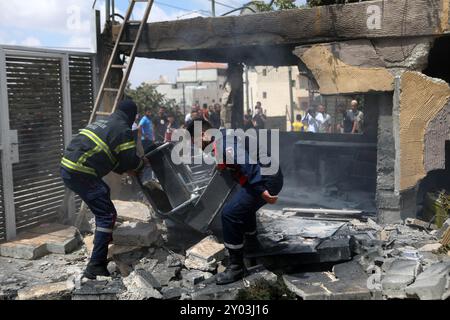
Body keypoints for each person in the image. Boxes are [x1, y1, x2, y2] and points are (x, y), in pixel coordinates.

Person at [186, 119, 283, 285]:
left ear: (202, 135)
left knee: (230, 214)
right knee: (241, 206)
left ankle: (236, 267)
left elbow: (246, 162)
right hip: (265, 176)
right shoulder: (223, 137)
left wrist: (261, 190)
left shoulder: (223, 141)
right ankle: (252, 244)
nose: (195, 146)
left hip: (265, 180)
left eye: (194, 141)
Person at [60, 100, 148, 279]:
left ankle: (103, 243)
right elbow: (129, 161)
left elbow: (114, 161)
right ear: (132, 115)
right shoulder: (123, 129)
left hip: (68, 167)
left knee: (103, 194)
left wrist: (125, 166)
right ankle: (95, 266)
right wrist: (141, 164)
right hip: (81, 170)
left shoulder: (106, 122)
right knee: (106, 214)